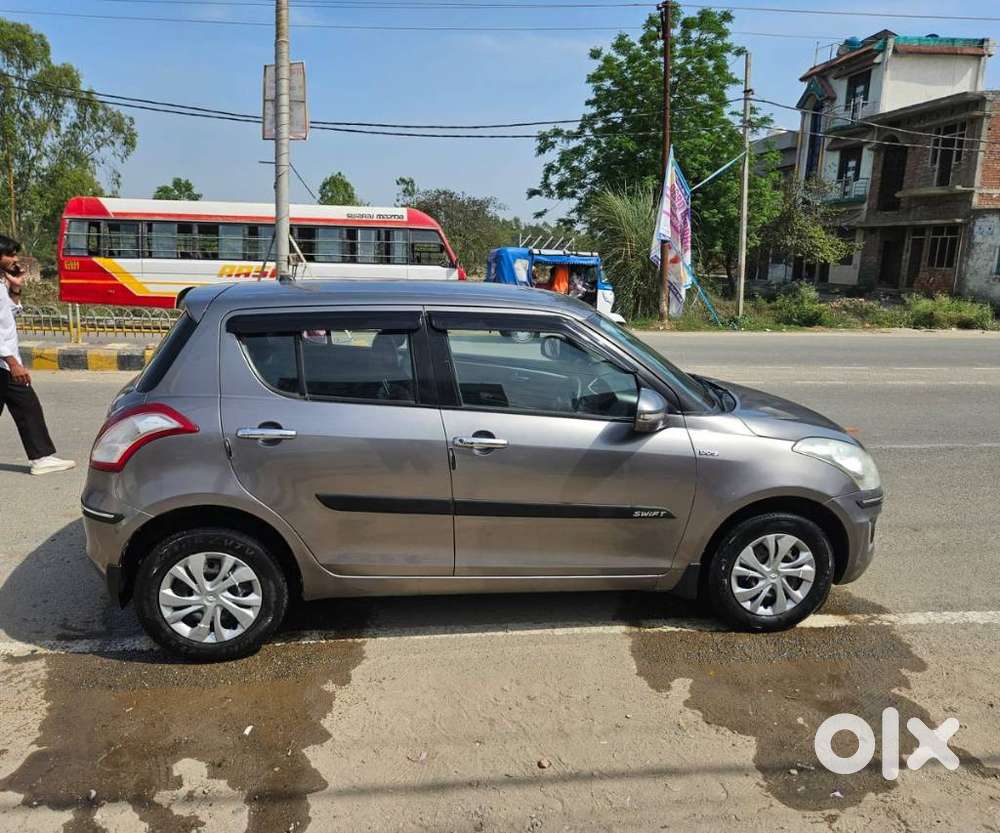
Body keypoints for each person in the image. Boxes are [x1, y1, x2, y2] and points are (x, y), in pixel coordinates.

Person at [0, 235, 75, 475]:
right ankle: (41, 458)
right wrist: (12, 362)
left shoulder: (1, 283)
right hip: (5, 361)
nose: (14, 259)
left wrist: (16, 288)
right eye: (10, 254)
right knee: (27, 405)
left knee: (26, 406)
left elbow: (8, 316)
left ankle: (41, 458)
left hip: (6, 361)